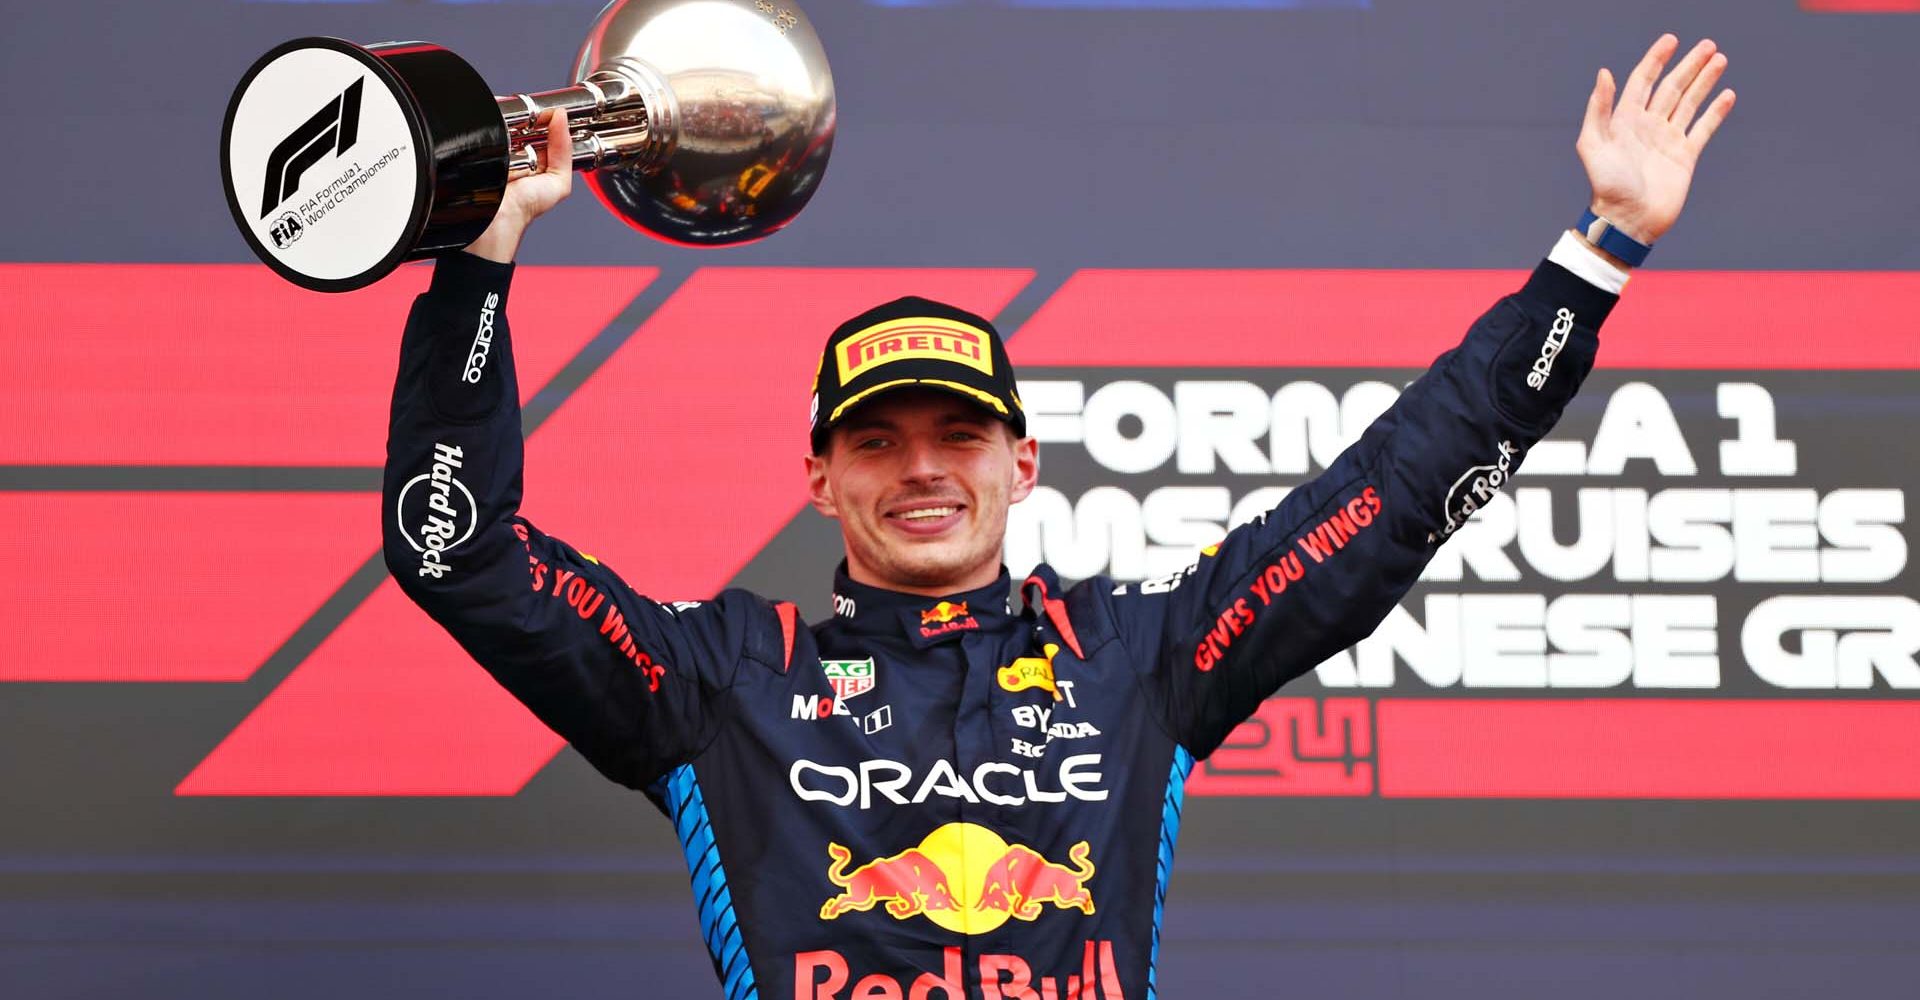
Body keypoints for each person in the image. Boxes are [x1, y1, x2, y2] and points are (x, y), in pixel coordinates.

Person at [383, 34, 1734, 1000]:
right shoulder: (723, 677)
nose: (923, 468)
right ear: (820, 480)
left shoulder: (1139, 655)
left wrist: (1598, 251)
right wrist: (482, 260)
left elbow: (1388, 500)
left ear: (1020, 464)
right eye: (878, 439)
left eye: (958, 433)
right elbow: (455, 553)